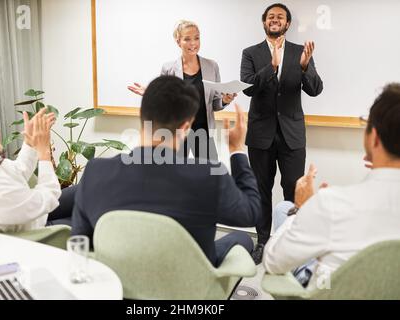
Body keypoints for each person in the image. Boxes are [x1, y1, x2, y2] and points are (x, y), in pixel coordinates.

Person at [72, 75, 261, 267]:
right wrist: (237, 150)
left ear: (141, 115)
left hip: (121, 282)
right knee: (241, 238)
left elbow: (80, 245)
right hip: (190, 284)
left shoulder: (95, 172)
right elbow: (252, 212)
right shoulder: (208, 176)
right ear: (186, 127)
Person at [263, 83, 400, 290]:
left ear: (375, 138)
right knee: (284, 209)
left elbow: (272, 261)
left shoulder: (331, 204)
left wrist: (302, 209)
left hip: (328, 289)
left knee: (285, 210)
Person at [240, 3, 323, 264]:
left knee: (293, 190)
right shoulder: (251, 53)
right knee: (261, 191)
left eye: (280, 17)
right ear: (264, 22)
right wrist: (271, 67)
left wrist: (304, 67)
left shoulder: (301, 52)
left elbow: (316, 89)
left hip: (292, 135)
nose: (275, 20)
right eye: (271, 17)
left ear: (287, 24)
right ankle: (263, 241)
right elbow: (248, 88)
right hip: (260, 135)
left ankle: (291, 243)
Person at [128, 20, 236, 161]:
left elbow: (214, 104)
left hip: (204, 132)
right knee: (172, 176)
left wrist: (224, 100)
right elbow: (164, 104)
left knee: (208, 176)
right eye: (187, 39)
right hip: (176, 132)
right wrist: (152, 94)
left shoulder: (212, 66)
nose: (193, 43)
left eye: (197, 38)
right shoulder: (168, 68)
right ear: (178, 41)